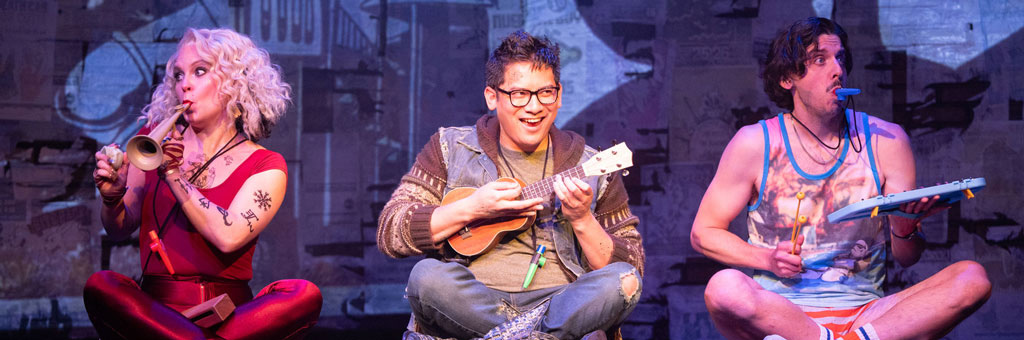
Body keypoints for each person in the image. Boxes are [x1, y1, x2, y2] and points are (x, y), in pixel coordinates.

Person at [690, 17, 991, 340]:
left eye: (840, 58)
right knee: (723, 287)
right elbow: (703, 233)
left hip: (868, 316)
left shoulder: (886, 140)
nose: (837, 70)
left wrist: (904, 231)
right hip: (783, 315)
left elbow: (907, 257)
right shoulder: (755, 143)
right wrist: (767, 259)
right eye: (820, 60)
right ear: (787, 77)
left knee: (973, 278)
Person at [377, 30, 643, 339]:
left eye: (546, 92)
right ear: (492, 96)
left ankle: (514, 334)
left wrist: (583, 220)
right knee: (427, 277)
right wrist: (472, 208)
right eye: (519, 94)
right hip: (473, 301)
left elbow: (632, 264)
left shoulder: (594, 166)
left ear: (559, 96)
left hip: (560, 303)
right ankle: (536, 335)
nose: (534, 107)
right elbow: (391, 230)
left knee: (625, 280)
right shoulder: (450, 148)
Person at [85, 28, 322, 339]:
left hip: (230, 317)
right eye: (179, 74)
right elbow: (118, 228)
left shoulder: (265, 164)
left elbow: (227, 237)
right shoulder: (151, 141)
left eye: (200, 71)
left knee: (304, 294)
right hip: (157, 315)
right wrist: (112, 198)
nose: (185, 83)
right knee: (101, 285)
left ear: (236, 81)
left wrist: (174, 175)